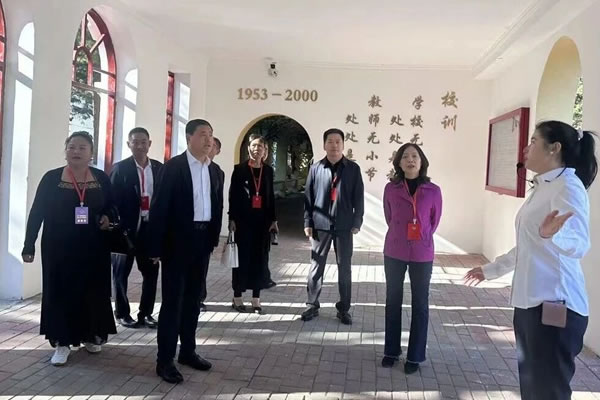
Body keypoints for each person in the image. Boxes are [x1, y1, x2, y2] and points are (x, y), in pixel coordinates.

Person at [465, 121, 597, 399]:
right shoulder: (545, 186)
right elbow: (527, 245)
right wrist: (491, 270)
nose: (526, 148)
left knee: (548, 391)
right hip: (530, 304)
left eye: (534, 141)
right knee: (534, 388)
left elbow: (579, 243)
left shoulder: (568, 187)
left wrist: (554, 235)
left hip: (555, 305)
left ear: (554, 148)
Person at [22, 131, 117, 366]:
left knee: (93, 291)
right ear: (65, 150)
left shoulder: (100, 178)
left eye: (82, 147)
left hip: (94, 247)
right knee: (61, 292)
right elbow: (37, 212)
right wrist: (28, 243)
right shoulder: (51, 178)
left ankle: (91, 335)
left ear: (91, 153)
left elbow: (111, 206)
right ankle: (62, 343)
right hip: (58, 248)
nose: (76, 151)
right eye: (72, 146)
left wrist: (107, 217)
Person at [149, 119, 224, 384]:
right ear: (189, 137)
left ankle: (188, 351)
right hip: (176, 243)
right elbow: (159, 208)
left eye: (211, 135)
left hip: (202, 242)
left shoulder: (215, 170)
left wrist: (213, 239)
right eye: (203, 134)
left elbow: (217, 206)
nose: (209, 140)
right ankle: (165, 360)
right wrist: (155, 246)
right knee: (173, 302)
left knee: (194, 300)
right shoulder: (173, 168)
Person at [381, 143, 442, 374]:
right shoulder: (391, 188)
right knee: (393, 301)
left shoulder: (433, 190)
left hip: (422, 252)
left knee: (420, 304)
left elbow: (434, 221)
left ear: (421, 161)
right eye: (405, 156)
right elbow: (389, 216)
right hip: (394, 250)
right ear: (399, 162)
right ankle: (391, 351)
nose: (410, 160)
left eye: (414, 156)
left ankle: (415, 355)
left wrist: (421, 236)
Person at [302, 128, 364, 325]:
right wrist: (307, 222)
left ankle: (344, 309)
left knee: (344, 268)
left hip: (344, 226)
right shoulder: (316, 168)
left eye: (338, 141)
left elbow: (359, 198)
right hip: (320, 226)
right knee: (316, 266)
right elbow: (308, 198)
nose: (334, 145)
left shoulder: (353, 169)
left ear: (343, 144)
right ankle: (312, 305)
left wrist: (357, 221)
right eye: (330, 141)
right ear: (324, 145)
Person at [110, 127, 163, 328]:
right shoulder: (120, 169)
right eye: (135, 142)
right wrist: (118, 225)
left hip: (150, 230)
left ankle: (146, 313)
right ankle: (122, 313)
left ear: (150, 144)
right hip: (125, 232)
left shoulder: (159, 168)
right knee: (120, 275)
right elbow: (112, 201)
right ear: (128, 144)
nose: (140, 146)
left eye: (143, 142)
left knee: (151, 274)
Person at [228, 134, 278, 313]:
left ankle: (256, 298)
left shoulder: (268, 171)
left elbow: (271, 197)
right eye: (254, 146)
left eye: (261, 147)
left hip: (262, 223)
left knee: (260, 259)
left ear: (265, 151)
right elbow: (233, 195)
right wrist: (232, 219)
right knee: (241, 259)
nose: (257, 149)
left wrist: (274, 220)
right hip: (243, 222)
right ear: (249, 148)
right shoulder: (240, 169)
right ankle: (237, 296)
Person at [198, 136, 225, 312]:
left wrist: (216, 232)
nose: (209, 146)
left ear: (217, 151)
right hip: (187, 229)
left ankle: (199, 298)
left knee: (202, 266)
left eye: (214, 145)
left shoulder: (217, 172)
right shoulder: (185, 167)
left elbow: (218, 203)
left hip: (207, 229)